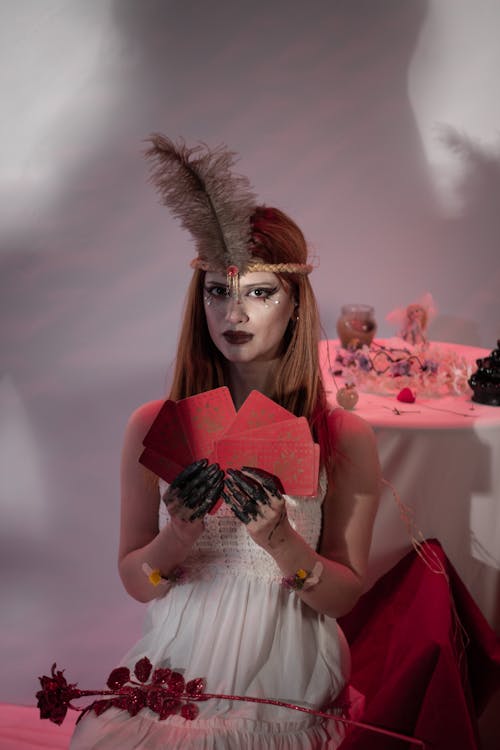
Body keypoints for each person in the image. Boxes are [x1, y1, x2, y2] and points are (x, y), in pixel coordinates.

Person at [70, 139, 381, 749]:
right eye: (218, 290)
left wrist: (280, 540)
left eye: (260, 292)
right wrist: (177, 535)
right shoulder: (153, 423)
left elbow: (344, 597)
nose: (234, 312)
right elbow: (138, 579)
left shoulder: (344, 435)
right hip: (178, 660)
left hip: (285, 668)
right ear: (200, 299)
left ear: (294, 306)